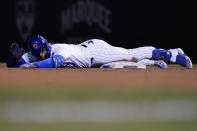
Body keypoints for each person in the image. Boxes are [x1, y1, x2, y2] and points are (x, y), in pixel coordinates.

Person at [9, 34, 192, 69]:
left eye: (42, 51)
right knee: (114, 67)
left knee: (131, 53)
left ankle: (172, 54)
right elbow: (17, 63)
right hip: (91, 57)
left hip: (95, 51)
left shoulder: (58, 49)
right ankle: (153, 62)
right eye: (38, 53)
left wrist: (32, 65)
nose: (41, 55)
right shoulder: (35, 54)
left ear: (46, 46)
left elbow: (54, 62)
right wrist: (16, 57)